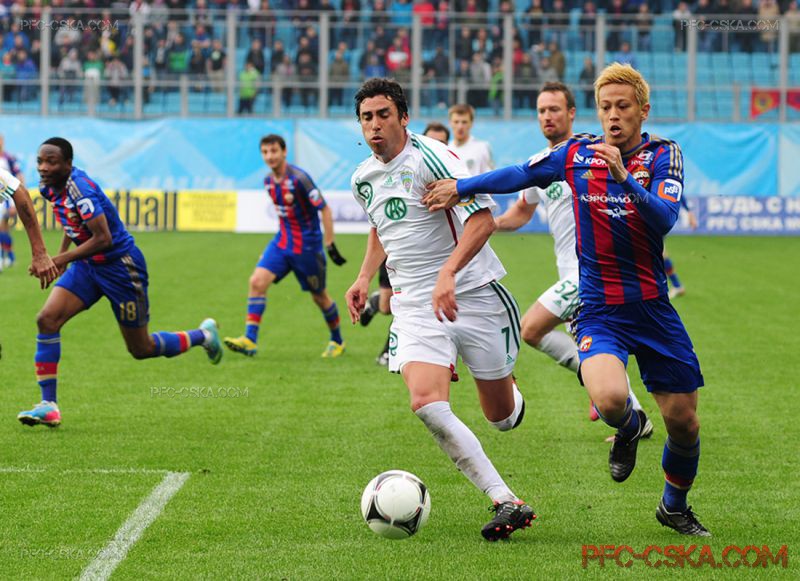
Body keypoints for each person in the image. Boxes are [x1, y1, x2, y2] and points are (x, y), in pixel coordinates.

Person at [424, 64, 709, 536]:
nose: (613, 115)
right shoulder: (576, 153)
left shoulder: (663, 154)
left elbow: (664, 218)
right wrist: (462, 186)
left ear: (643, 110)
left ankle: (673, 506)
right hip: (599, 308)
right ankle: (627, 427)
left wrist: (624, 178)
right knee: (611, 398)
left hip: (652, 308)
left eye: (623, 106)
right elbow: (520, 174)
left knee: (684, 424)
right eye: (606, 107)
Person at [345, 78, 535, 541]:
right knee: (426, 404)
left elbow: (483, 221)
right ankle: (505, 500)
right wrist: (364, 276)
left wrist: (448, 272)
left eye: (383, 115)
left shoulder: (433, 158)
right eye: (367, 117)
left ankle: (509, 388)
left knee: (501, 418)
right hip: (414, 305)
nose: (375, 125)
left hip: (472, 294)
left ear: (403, 117)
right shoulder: (362, 179)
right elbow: (382, 227)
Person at [17, 138, 222, 428]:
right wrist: (63, 256)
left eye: (51, 162)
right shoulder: (49, 188)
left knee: (141, 348)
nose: (43, 167)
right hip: (88, 266)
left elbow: (103, 238)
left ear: (68, 164)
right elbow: (71, 222)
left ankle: (203, 336)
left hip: (121, 268)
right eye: (40, 161)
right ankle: (48, 405)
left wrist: (59, 260)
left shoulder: (81, 190)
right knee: (47, 319)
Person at [494, 82, 652, 436]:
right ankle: (634, 415)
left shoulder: (590, 155)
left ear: (571, 113)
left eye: (554, 109)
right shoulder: (543, 164)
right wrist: (489, 225)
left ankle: (604, 391)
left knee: (530, 328)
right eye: (541, 111)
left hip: (590, 272)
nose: (547, 116)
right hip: (568, 270)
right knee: (588, 346)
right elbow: (522, 211)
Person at [224, 134, 347, 359]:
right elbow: (285, 216)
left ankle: (337, 341)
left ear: (284, 152)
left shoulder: (300, 179)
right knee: (256, 282)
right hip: (281, 243)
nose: (269, 156)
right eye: (265, 152)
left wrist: (329, 244)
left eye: (274, 151)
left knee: (319, 297)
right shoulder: (268, 181)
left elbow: (325, 208)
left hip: (307, 248)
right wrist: (269, 252)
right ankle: (250, 339)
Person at [359, 121, 451, 366]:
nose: (436, 146)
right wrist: (363, 277)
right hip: (397, 253)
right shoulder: (395, 171)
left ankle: (391, 350)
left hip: (435, 259)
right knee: (388, 304)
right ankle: (376, 304)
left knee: (413, 302)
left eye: (442, 142)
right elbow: (378, 226)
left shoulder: (449, 171)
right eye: (433, 140)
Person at [664, 199, 698, 299]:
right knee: (660, 253)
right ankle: (676, 285)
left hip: (655, 215)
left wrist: (689, 212)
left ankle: (676, 285)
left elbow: (679, 194)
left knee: (658, 252)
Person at [447, 104, 493, 176]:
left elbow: (490, 176)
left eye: (464, 122)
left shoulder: (482, 147)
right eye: (456, 122)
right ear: (450, 123)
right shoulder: (445, 149)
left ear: (471, 123)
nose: (460, 126)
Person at [0, 134, 23, 269]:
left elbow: (18, 177)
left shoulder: (8, 158)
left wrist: (15, 203)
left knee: (3, 228)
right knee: (4, 229)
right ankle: (9, 257)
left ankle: (6, 257)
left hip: (6, 200)